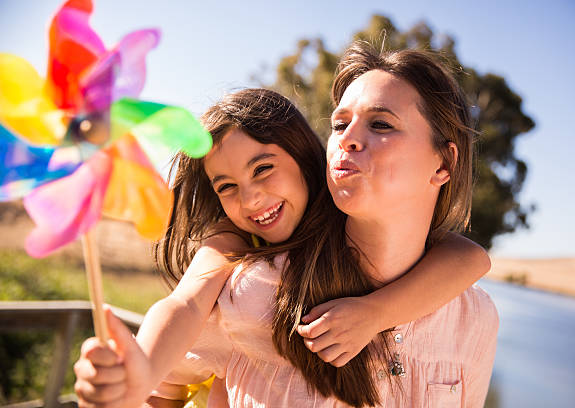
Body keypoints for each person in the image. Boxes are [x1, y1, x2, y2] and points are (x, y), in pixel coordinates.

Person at [73, 45, 496, 407]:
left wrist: (377, 312)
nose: (347, 138)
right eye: (338, 123)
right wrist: (136, 376)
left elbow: (472, 258)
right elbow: (181, 313)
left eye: (380, 123)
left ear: (444, 163)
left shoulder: (474, 317)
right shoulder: (249, 279)